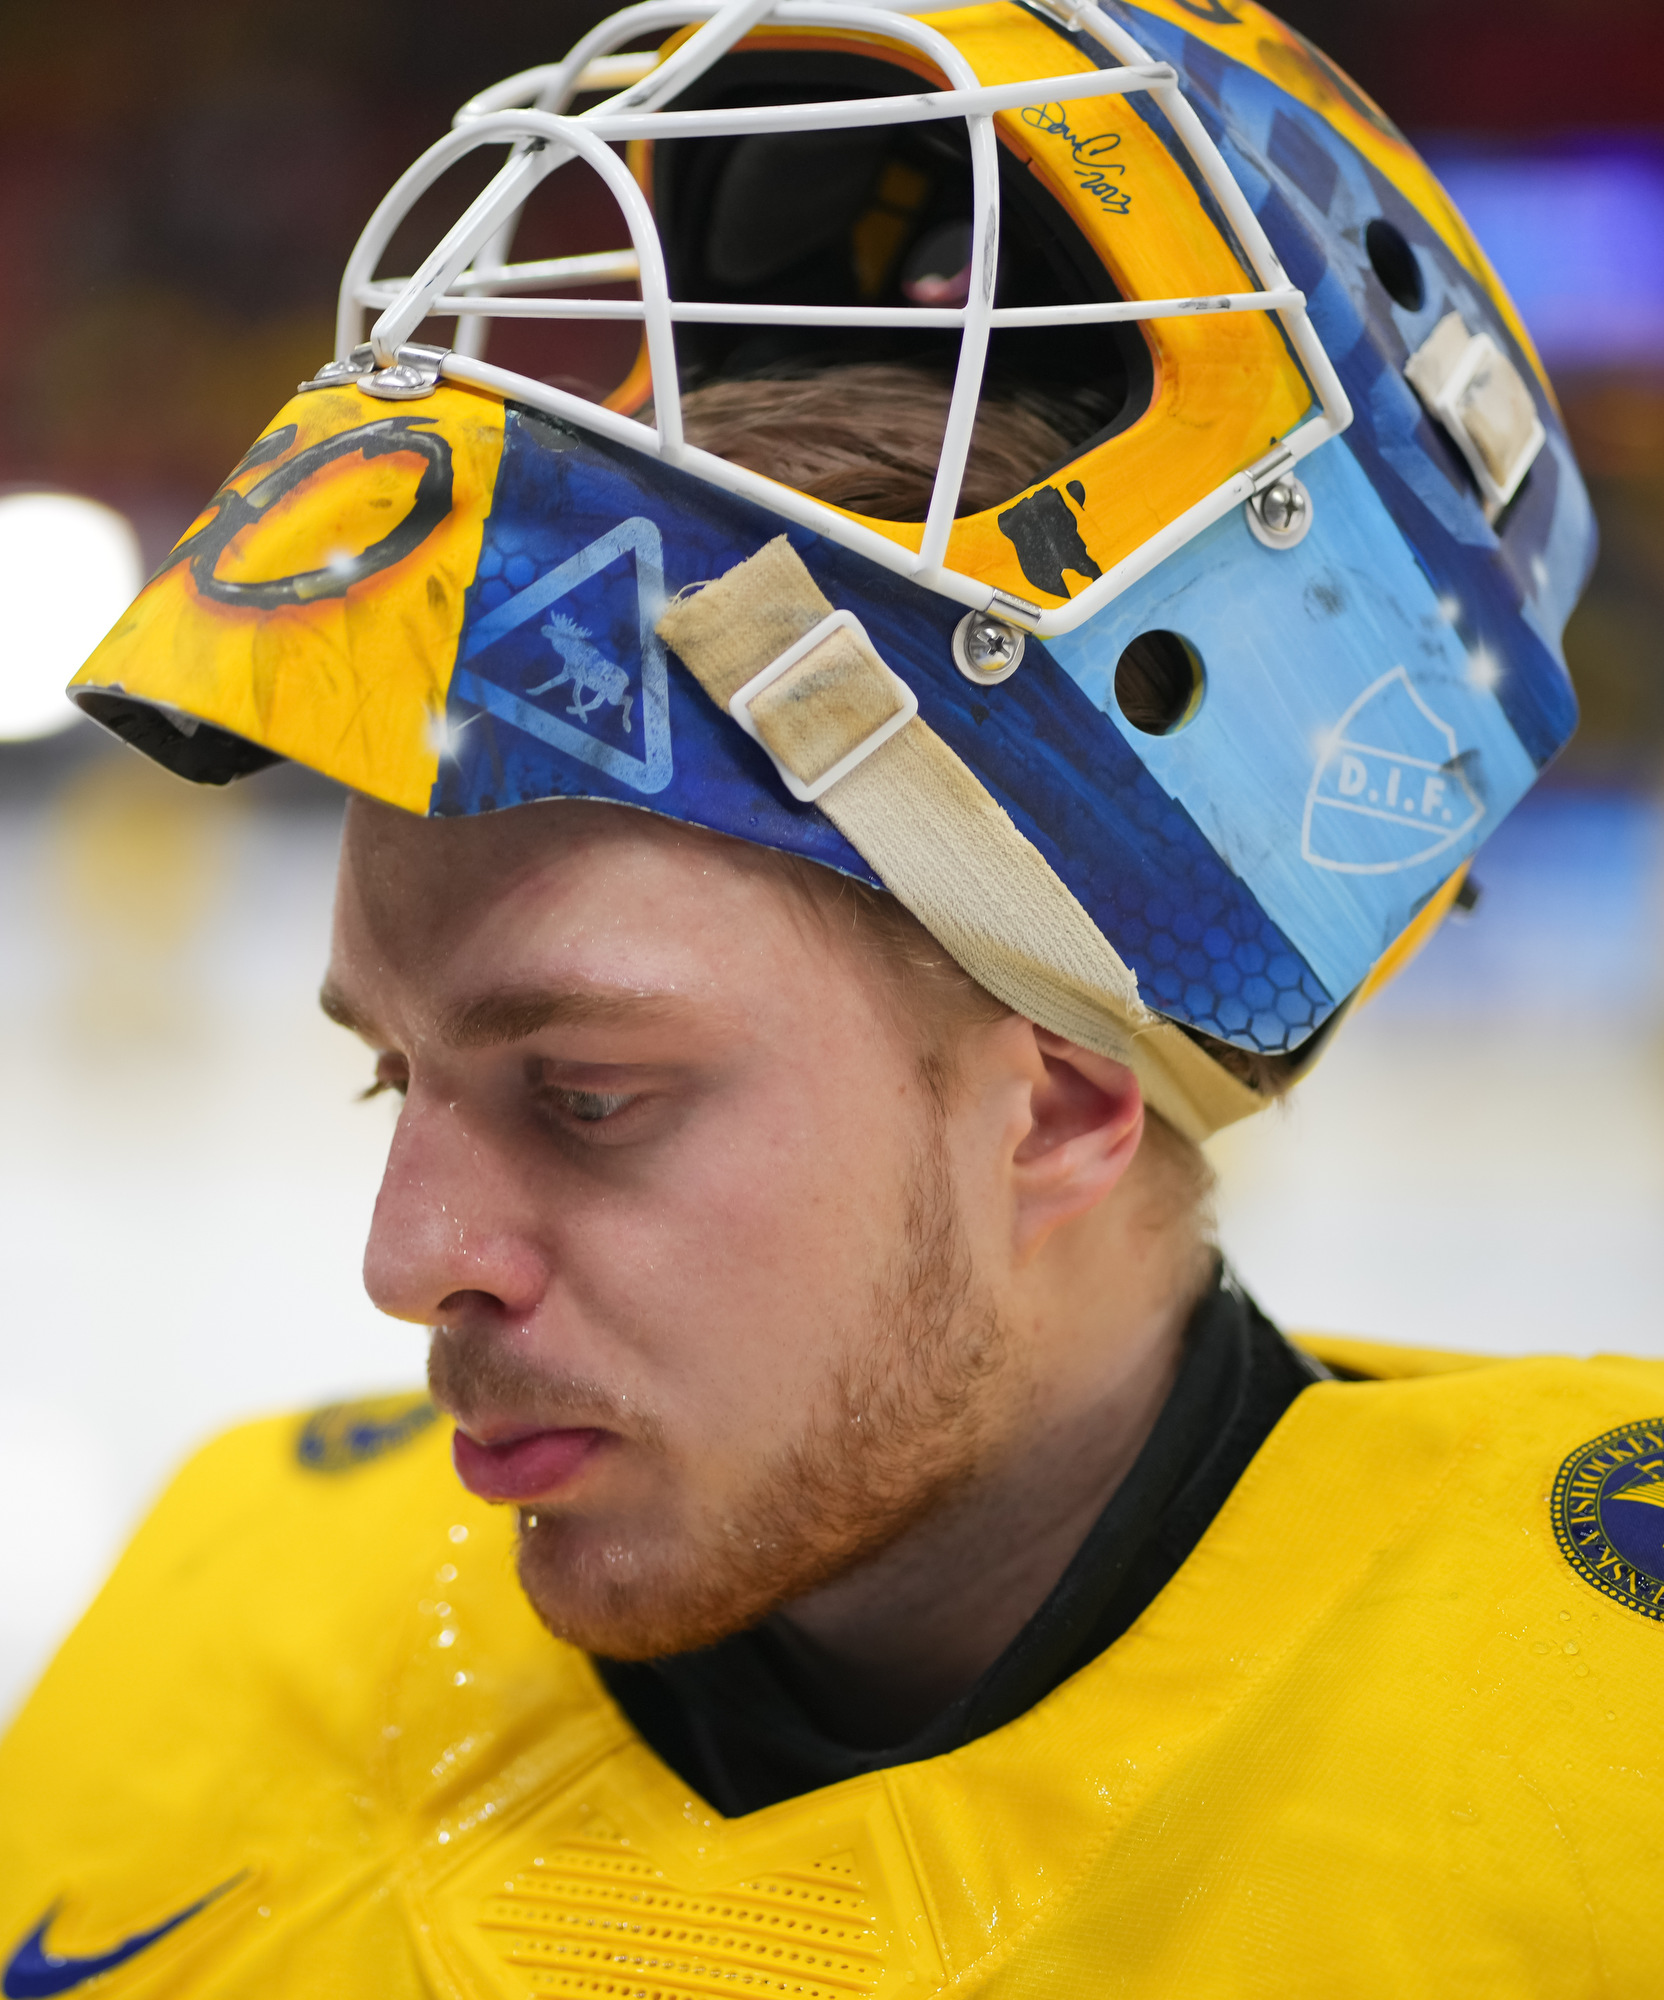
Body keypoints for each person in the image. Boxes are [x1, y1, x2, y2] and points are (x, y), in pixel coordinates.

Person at [4, 0, 1657, 1992]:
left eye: (589, 1094)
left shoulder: (1605, 1788)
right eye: (390, 1076)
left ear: (1060, 1107)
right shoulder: (207, 1607)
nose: (404, 1260)